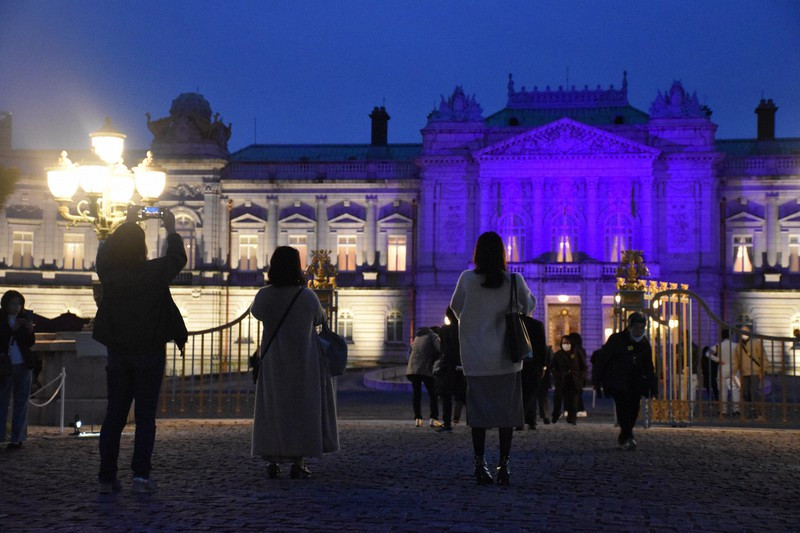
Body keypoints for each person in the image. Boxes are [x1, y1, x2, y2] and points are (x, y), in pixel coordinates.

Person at [93, 208, 188, 494]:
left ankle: (106, 477)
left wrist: (127, 223)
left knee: (114, 416)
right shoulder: (154, 272)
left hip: (119, 353)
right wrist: (170, 229)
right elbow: (178, 259)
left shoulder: (109, 274)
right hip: (149, 352)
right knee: (145, 416)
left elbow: (102, 254)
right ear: (143, 247)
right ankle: (141, 476)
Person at [450, 231, 535, 486]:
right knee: (506, 417)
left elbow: (455, 308)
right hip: (506, 360)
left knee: (479, 417)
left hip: (475, 359)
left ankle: (480, 464)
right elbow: (529, 306)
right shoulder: (514, 280)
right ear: (502, 254)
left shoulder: (466, 279)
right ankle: (504, 466)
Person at [251, 246, 339, 479]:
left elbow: (256, 313)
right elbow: (320, 318)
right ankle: (298, 463)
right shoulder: (307, 296)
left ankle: (271, 461)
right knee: (300, 410)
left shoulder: (264, 295)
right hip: (303, 361)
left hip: (273, 361)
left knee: (273, 409)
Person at [594, 312, 657, 451]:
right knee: (622, 407)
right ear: (630, 326)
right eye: (636, 327)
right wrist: (597, 381)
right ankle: (629, 436)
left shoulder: (645, 343)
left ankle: (624, 435)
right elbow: (602, 359)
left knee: (634, 408)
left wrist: (652, 384)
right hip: (618, 380)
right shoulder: (617, 339)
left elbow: (648, 366)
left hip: (636, 382)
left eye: (642, 328)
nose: (639, 331)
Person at [0, 290, 37, 449]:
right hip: (5, 365)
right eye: (13, 303)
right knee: (2, 402)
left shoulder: (24, 319)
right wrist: (12, 331)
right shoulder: (1, 320)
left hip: (23, 364)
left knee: (21, 402)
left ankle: (18, 438)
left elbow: (29, 343)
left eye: (19, 304)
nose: (16, 307)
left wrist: (29, 331)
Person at [434, 307, 466, 432]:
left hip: (447, 367)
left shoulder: (444, 330)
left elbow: (443, 349)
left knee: (446, 397)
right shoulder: (463, 329)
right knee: (465, 396)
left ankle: (447, 423)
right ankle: (477, 422)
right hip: (461, 365)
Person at [406, 326, 442, 427]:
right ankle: (433, 418)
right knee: (433, 393)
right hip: (425, 367)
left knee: (416, 394)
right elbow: (440, 348)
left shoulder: (418, 336)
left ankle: (418, 419)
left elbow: (411, 352)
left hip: (413, 368)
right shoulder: (433, 336)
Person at [551, 335, 587, 425]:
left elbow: (583, 367)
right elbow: (553, 367)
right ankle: (556, 414)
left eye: (567, 343)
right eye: (564, 343)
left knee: (574, 401)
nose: (565, 345)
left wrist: (581, 377)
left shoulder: (577, 353)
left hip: (574, 381)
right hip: (562, 381)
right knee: (558, 399)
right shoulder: (558, 354)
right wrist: (557, 376)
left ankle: (572, 418)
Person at [732, 324, 765, 419]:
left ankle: (756, 412)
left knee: (753, 392)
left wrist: (762, 371)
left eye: (745, 331)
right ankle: (751, 409)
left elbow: (763, 358)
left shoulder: (756, 343)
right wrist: (733, 372)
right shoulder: (738, 346)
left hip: (755, 371)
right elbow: (735, 360)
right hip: (744, 372)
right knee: (746, 393)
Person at [712, 329, 740, 415]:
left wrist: (717, 359)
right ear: (730, 335)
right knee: (735, 390)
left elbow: (707, 354)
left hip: (723, 368)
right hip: (733, 369)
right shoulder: (735, 345)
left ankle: (723, 410)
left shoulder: (718, 346)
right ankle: (736, 410)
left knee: (723, 391)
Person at [568, 333, 588, 417]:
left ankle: (580, 409)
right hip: (576, 376)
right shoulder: (578, 349)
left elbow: (582, 365)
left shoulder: (577, 350)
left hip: (578, 376)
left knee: (577, 394)